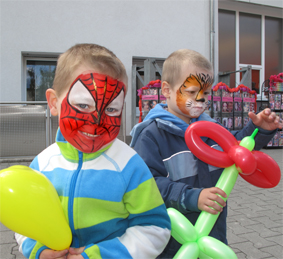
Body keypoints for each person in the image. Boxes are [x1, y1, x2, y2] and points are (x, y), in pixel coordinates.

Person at [15, 44, 171, 259]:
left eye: (111, 109)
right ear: (54, 103)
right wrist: (38, 250)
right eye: (83, 105)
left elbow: (155, 228)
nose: (97, 122)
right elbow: (25, 219)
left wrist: (102, 255)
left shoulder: (129, 165)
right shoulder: (42, 164)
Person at [130, 49, 282, 258]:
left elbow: (237, 147)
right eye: (192, 92)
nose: (201, 99)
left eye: (206, 92)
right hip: (172, 241)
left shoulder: (211, 128)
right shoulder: (152, 135)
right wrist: (192, 197)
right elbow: (147, 184)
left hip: (213, 233)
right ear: (166, 89)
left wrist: (260, 130)